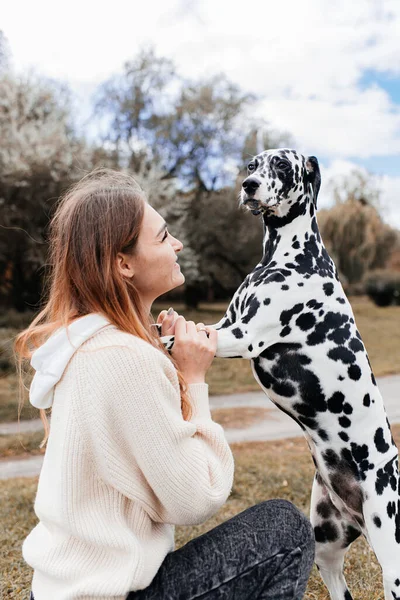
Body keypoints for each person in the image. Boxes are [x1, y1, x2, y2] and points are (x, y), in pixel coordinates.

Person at [15, 169, 315, 600]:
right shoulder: (126, 359)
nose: (177, 244)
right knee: (284, 529)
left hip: (61, 588)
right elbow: (197, 496)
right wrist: (193, 379)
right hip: (109, 593)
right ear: (123, 263)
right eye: (163, 237)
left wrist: (165, 364)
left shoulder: (85, 344)